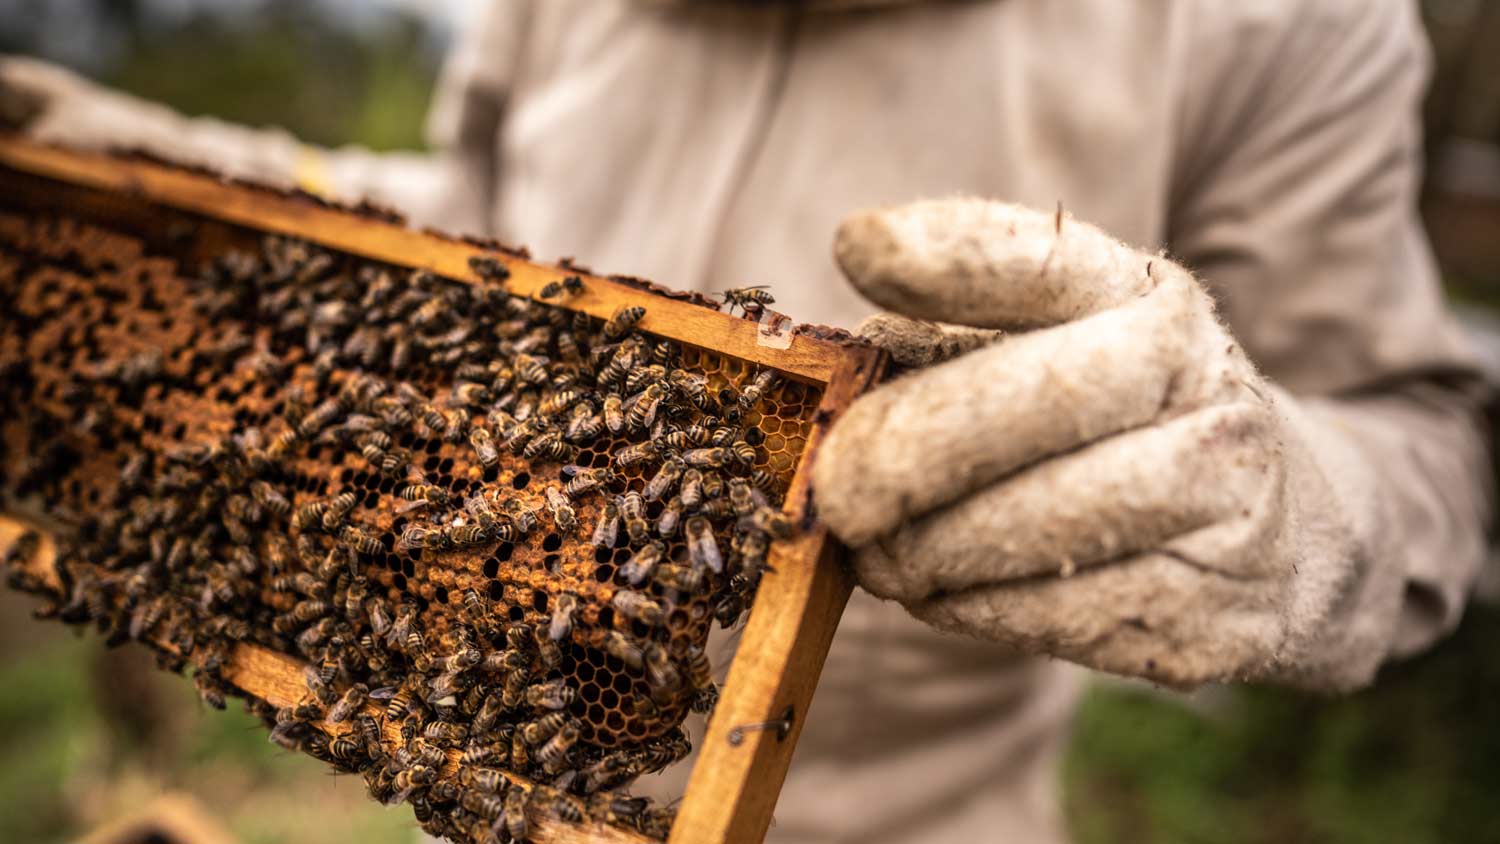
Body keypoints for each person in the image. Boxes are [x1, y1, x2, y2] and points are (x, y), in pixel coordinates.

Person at [1, 1, 1491, 841]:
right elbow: (482, 250)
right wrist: (152, 167)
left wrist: (1295, 513)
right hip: (496, 780)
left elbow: (1428, 444)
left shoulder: (1287, 27)